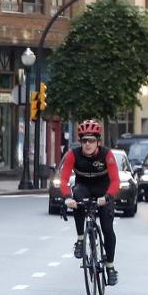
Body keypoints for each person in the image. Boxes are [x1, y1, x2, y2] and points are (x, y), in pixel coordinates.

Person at [58, 119, 120, 286]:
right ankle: (80, 240)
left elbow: (115, 181)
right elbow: (63, 180)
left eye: (91, 140)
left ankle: (110, 267)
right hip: (83, 187)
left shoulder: (107, 155)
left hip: (103, 191)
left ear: (98, 142)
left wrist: (107, 197)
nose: (87, 144)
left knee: (107, 229)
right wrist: (67, 198)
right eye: (84, 140)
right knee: (77, 196)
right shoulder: (73, 154)